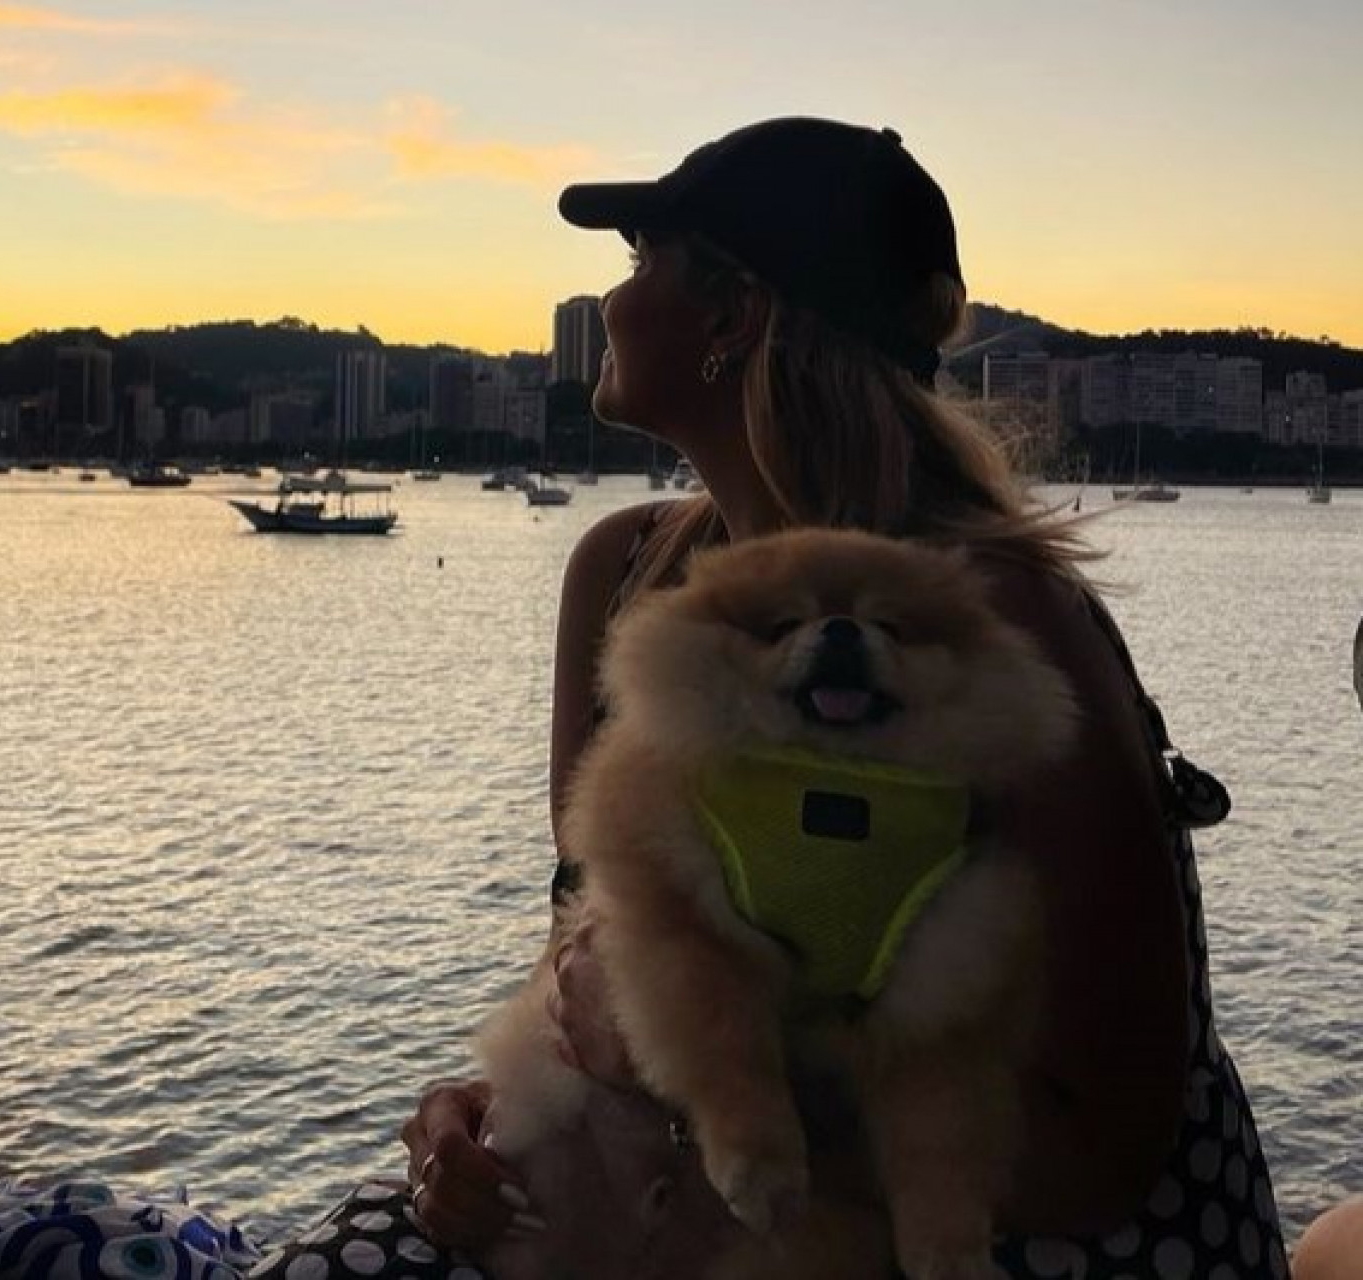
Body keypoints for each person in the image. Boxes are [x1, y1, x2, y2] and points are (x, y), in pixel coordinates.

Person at [252, 117, 1295, 1278]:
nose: (609, 298)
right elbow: (606, 966)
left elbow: (1105, 1152)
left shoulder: (979, 623)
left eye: (643, 258)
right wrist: (485, 1109)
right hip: (661, 1208)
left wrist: (708, 1097)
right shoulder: (624, 577)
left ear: (734, 315)